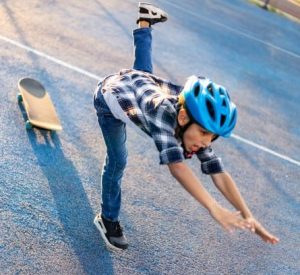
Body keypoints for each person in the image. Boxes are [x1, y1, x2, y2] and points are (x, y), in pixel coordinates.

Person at [93, 2, 279, 250]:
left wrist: (248, 215)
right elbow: (177, 167)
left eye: (211, 137)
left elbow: (219, 175)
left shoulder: (194, 124)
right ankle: (108, 219)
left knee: (143, 71)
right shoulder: (161, 115)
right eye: (204, 133)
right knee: (118, 160)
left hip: (143, 83)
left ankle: (144, 21)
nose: (205, 142)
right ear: (183, 119)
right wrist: (214, 208)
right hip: (112, 98)